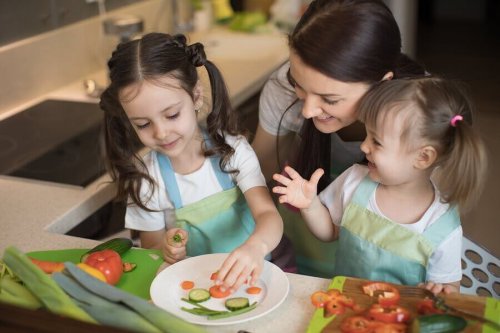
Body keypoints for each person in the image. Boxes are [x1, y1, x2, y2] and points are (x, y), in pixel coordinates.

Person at [251, 0, 426, 277]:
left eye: (330, 99)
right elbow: (259, 172)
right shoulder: (282, 88)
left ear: (383, 83)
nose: (308, 110)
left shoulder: (421, 114)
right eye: (299, 85)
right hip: (299, 253)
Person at [100, 32, 283, 293]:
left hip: (257, 276)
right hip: (194, 286)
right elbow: (150, 247)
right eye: (143, 124)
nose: (161, 133)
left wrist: (256, 246)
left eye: (172, 115)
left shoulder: (233, 152)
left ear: (196, 96)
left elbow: (268, 216)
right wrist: (167, 249)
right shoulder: (146, 178)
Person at [273, 77, 488, 293]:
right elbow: (330, 232)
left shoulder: (442, 226)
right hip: (347, 305)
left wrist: (441, 290)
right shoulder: (355, 181)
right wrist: (310, 205)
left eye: (376, 141)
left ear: (423, 157)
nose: (364, 146)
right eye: (367, 135)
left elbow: (450, 288)